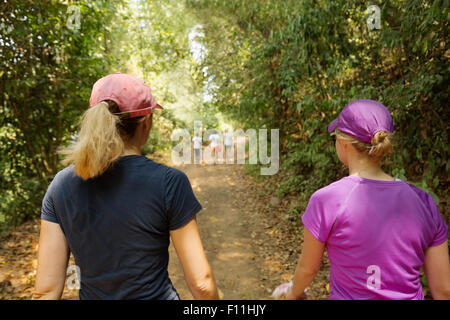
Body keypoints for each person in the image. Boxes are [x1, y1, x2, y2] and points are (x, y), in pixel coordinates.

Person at [32, 73, 219, 300]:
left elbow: (46, 291)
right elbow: (201, 284)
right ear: (146, 123)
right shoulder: (169, 182)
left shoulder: (60, 186)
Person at [275, 99, 449, 300]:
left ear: (344, 143)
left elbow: (308, 270)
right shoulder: (423, 201)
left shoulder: (327, 200)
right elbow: (443, 290)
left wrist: (293, 294)